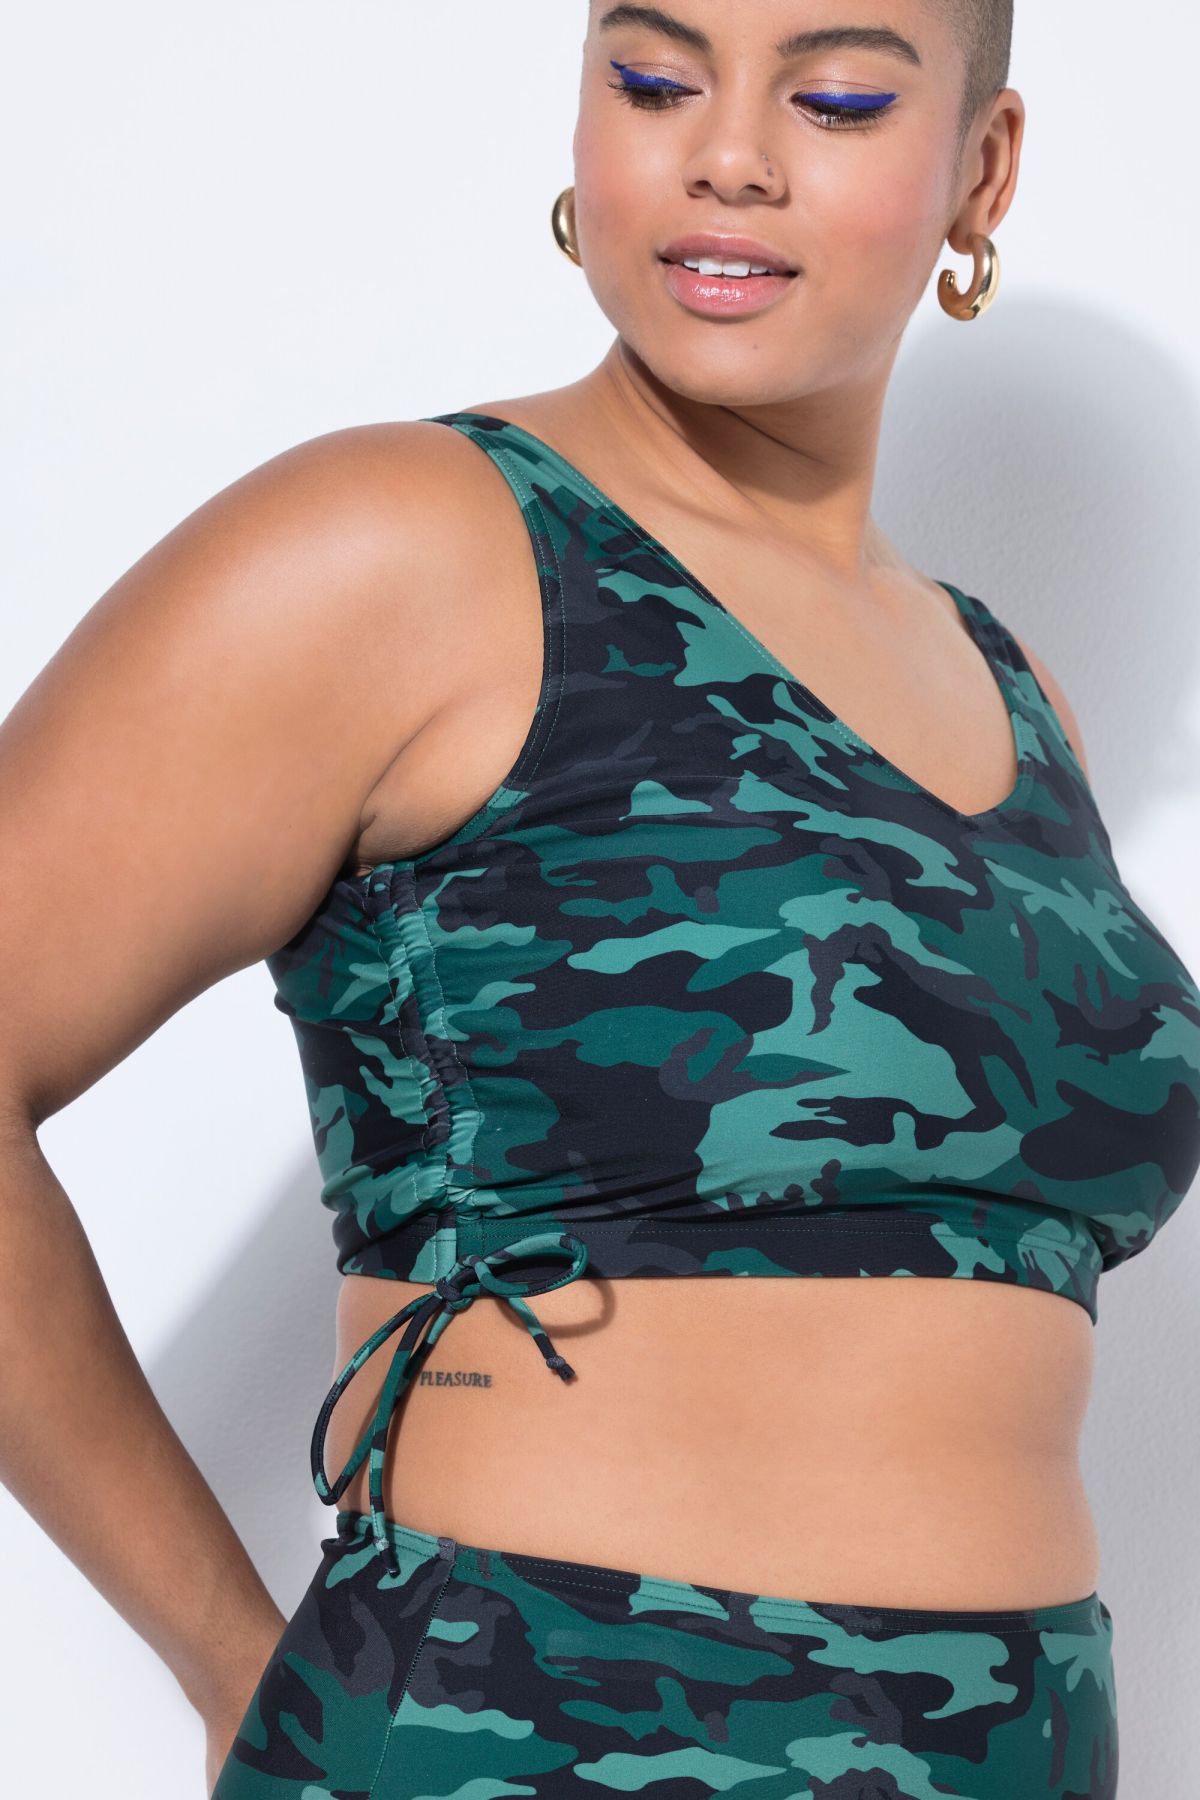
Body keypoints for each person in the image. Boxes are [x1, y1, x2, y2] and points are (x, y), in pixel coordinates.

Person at [2, 3, 1196, 1795]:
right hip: (529, 1735)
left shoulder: (1014, 692)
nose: (727, 154)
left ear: (983, 168)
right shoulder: (414, 543)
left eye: (838, 97)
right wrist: (234, 1663)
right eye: (653, 80)